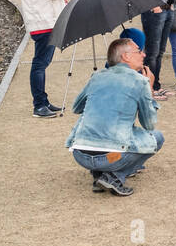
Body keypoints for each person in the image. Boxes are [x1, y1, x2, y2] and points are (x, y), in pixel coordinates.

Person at [66, 38, 164, 197]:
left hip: (80, 155)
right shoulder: (140, 81)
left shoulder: (97, 76)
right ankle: (113, 177)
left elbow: (76, 108)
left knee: (119, 141)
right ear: (126, 56)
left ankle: (99, 174)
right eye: (139, 51)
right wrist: (150, 89)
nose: (144, 54)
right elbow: (149, 125)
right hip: (112, 157)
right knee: (157, 137)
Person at [18, 0, 83, 118]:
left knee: (41, 63)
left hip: (45, 19)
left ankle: (43, 102)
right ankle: (39, 105)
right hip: (43, 20)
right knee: (40, 64)